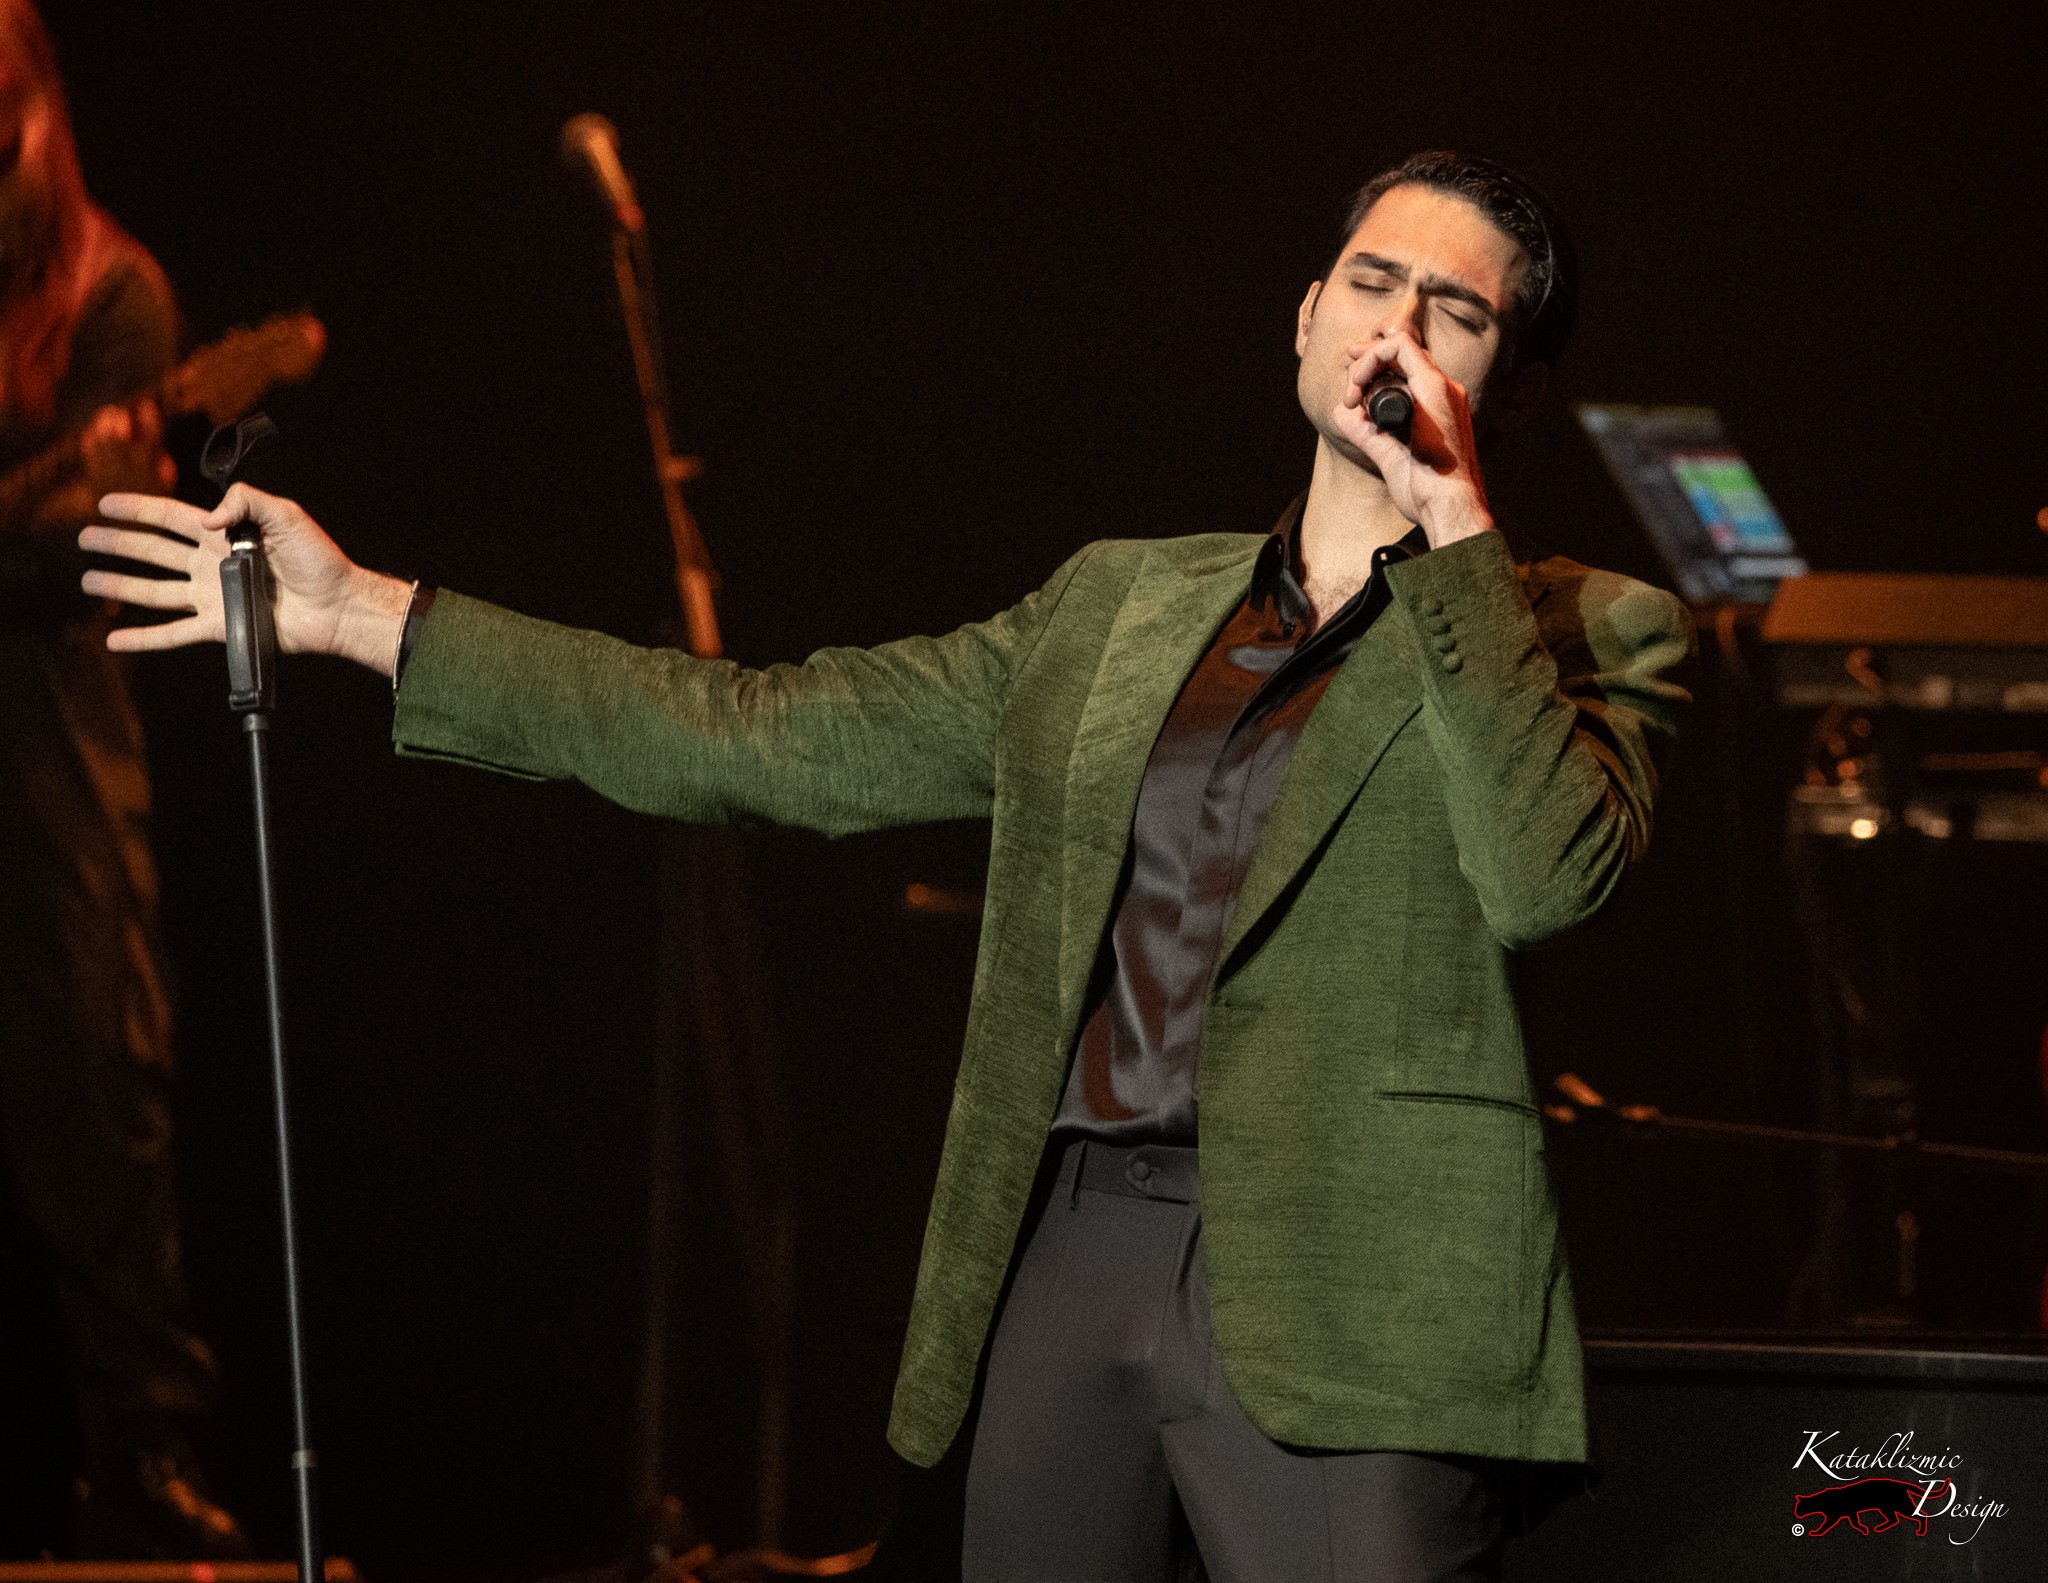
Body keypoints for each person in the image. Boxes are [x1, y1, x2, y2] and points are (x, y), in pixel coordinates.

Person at [83, 152, 1690, 1582]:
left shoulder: (1579, 630)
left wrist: (1455, 538)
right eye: (1369, 283)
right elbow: (760, 732)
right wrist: (365, 610)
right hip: (1069, 1248)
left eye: (1453, 313)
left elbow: (1550, 877)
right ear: (1303, 316)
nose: (1395, 333)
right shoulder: (1116, 608)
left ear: (1510, 381)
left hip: (1365, 1294)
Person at [0, 0, 248, 1558]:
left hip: (45, 728)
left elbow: (78, 541)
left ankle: (144, 1451)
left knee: (98, 1066)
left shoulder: (120, 296)